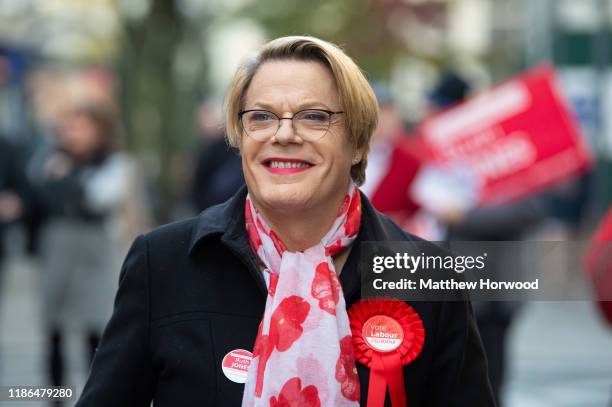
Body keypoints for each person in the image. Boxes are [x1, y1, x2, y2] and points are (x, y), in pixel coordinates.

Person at [76, 36, 494, 406]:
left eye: (314, 116)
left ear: (359, 143)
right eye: (261, 116)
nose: (284, 134)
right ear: (239, 138)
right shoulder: (162, 262)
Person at [30, 103, 133, 391]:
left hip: (93, 252)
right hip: (57, 248)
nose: (73, 134)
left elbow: (100, 198)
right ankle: (56, 395)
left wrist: (68, 178)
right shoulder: (50, 158)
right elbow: (36, 190)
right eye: (69, 127)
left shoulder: (113, 163)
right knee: (54, 327)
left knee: (95, 327)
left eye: (81, 127)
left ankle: (94, 394)